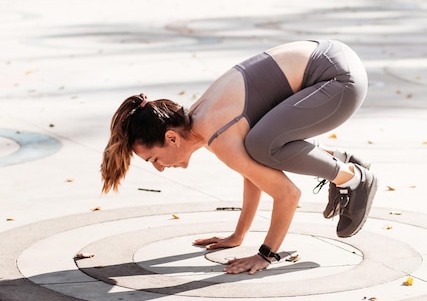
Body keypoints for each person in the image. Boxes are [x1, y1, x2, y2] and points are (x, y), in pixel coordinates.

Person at [101, 39, 378, 275]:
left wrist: (265, 255)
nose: (160, 169)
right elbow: (253, 173)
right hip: (336, 61)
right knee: (260, 145)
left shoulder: (215, 132)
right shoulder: (199, 120)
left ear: (171, 138)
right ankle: (341, 159)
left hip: (339, 81)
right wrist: (238, 235)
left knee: (262, 145)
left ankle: (352, 178)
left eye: (154, 160)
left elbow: (287, 195)